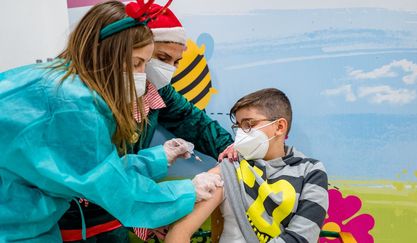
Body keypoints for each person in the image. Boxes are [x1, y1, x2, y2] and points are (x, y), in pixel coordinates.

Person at [0, 1, 223, 242]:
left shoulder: (61, 82)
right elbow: (111, 187)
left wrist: (158, 158)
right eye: (137, 63)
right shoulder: (76, 105)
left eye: (145, 64)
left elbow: (95, 167)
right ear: (105, 51)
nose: (142, 73)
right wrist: (187, 191)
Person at [59, 3, 234, 242]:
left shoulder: (157, 91)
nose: (167, 69)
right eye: (158, 58)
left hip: (115, 216)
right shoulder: (82, 101)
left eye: (176, 62)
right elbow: (101, 178)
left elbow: (195, 122)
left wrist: (231, 151)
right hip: (72, 218)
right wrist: (181, 193)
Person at [165, 88, 329, 243]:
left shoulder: (311, 171)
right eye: (238, 126)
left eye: (248, 125)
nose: (240, 133)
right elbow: (180, 231)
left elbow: (302, 238)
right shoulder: (230, 166)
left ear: (279, 127)